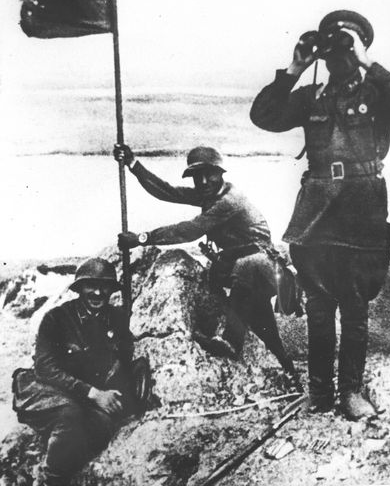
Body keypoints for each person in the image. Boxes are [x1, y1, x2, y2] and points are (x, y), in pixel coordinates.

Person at [250, 10, 390, 420]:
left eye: (346, 45)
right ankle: (320, 393)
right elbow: (264, 116)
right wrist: (295, 67)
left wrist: (367, 62)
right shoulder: (312, 96)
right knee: (319, 307)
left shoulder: (376, 91)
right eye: (333, 47)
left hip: (362, 207)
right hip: (317, 209)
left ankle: (351, 393)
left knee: (355, 306)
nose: (338, 55)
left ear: (358, 48)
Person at [115, 144, 301, 389]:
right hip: (246, 278)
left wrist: (143, 238)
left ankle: (231, 341)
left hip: (267, 271)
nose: (203, 182)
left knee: (248, 265)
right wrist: (133, 164)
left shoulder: (230, 200)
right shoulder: (208, 194)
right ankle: (289, 371)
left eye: (209, 174)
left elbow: (191, 230)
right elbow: (166, 191)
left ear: (220, 173)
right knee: (261, 320)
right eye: (197, 176)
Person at [12, 258, 150, 486]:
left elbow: (121, 360)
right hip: (45, 387)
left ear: (111, 290)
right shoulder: (56, 318)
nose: (98, 292)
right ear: (79, 288)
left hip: (84, 393)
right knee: (69, 414)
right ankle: (48, 481)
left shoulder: (117, 318)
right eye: (91, 285)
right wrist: (92, 393)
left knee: (102, 425)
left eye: (104, 286)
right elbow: (45, 368)